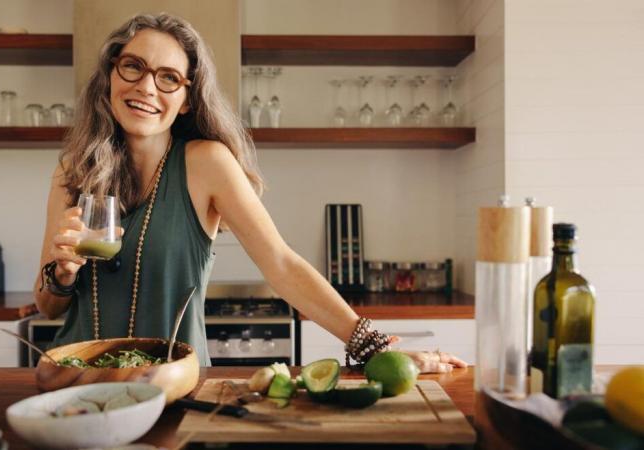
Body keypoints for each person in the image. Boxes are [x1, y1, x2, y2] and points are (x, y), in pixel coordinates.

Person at [34, 13, 467, 373]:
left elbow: (281, 265)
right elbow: (48, 305)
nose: (147, 88)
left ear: (186, 99)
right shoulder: (72, 171)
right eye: (133, 66)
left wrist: (372, 345)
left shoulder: (206, 163)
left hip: (171, 385)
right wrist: (62, 273)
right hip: (73, 383)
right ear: (112, 74)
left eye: (168, 78)